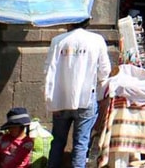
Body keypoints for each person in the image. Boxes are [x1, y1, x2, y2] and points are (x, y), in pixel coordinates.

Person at [45, 18, 111, 168]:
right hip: (86, 97)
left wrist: (51, 99)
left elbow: (47, 69)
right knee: (81, 143)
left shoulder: (57, 41)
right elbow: (104, 71)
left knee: (57, 141)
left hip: (60, 99)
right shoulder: (96, 40)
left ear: (69, 22)